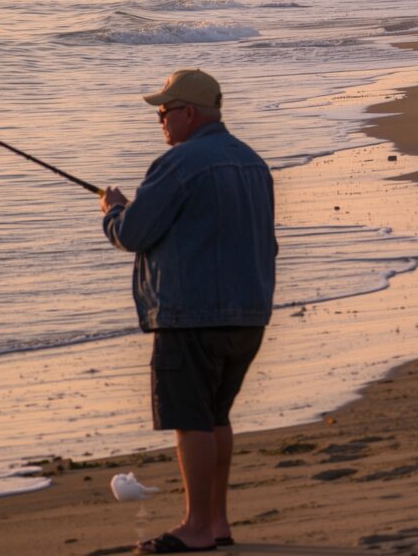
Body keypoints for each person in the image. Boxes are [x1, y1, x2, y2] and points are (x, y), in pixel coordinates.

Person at [100, 69, 276, 555]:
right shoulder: (253, 163)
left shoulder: (178, 164)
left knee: (192, 419)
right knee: (216, 415)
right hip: (249, 314)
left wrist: (113, 211)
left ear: (189, 113)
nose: (160, 119)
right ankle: (216, 522)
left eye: (165, 110)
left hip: (192, 315)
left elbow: (133, 233)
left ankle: (197, 526)